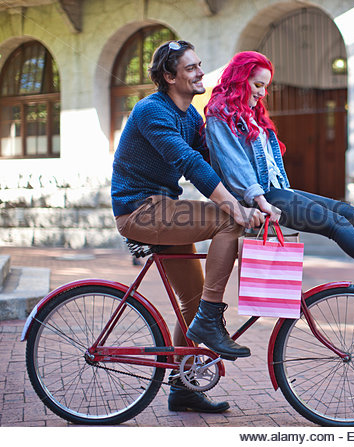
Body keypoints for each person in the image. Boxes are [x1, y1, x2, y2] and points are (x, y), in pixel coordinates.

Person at [202, 51, 354, 298]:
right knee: (337, 225)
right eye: (257, 85)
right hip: (262, 199)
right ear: (239, 78)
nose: (262, 93)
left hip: (276, 191)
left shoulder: (249, 114)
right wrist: (261, 201)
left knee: (348, 212)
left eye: (265, 87)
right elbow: (236, 165)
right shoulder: (219, 114)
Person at [111, 41, 265, 414]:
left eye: (200, 65)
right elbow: (190, 162)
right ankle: (212, 320)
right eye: (191, 68)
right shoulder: (151, 111)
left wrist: (256, 193)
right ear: (169, 76)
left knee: (193, 305)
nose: (200, 73)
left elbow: (213, 159)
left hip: (166, 210)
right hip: (140, 210)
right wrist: (234, 207)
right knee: (228, 221)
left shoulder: (191, 116)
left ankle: (181, 387)